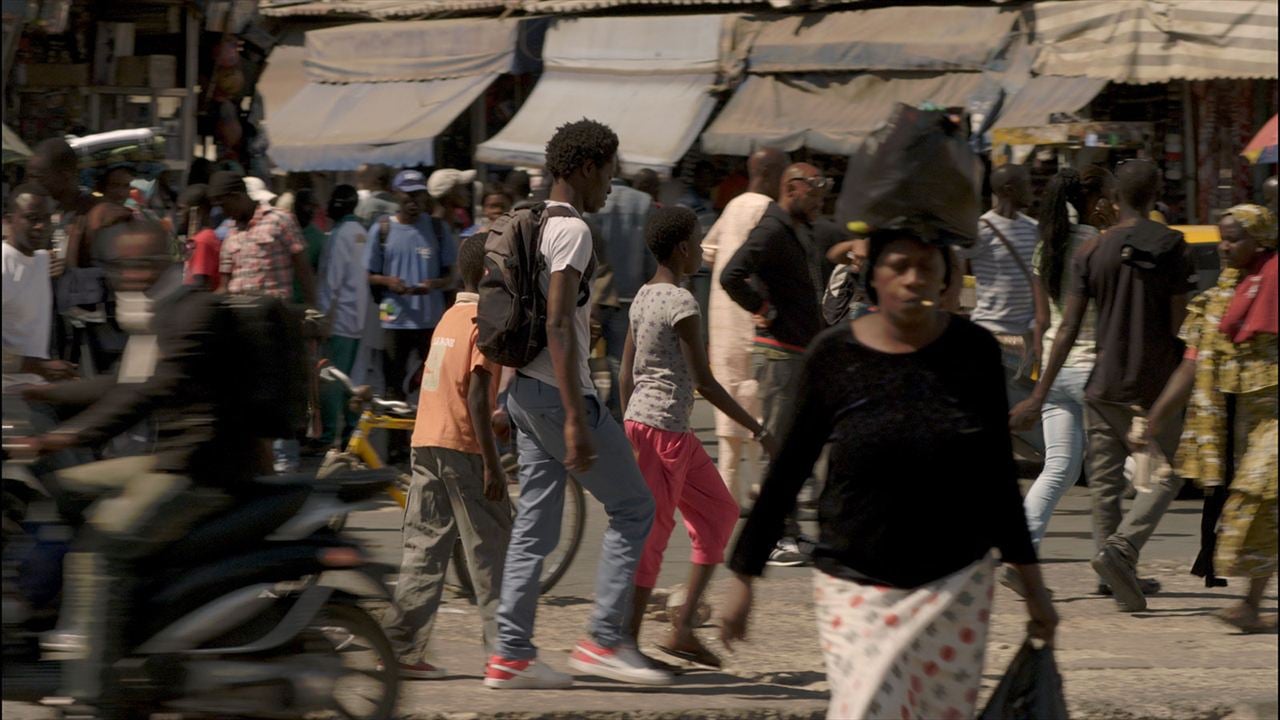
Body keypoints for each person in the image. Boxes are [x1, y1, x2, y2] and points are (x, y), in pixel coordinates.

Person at [720, 227, 1057, 720]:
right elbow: (789, 466)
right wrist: (744, 575)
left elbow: (996, 479)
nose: (913, 279)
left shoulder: (974, 354)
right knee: (864, 709)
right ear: (873, 276)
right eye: (899, 266)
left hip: (956, 588)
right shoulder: (834, 355)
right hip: (855, 586)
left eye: (927, 266)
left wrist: (1034, 588)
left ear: (948, 279)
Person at [16, 219, 259, 718]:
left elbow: (149, 391)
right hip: (169, 461)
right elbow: (120, 384)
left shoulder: (193, 311)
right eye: (117, 267)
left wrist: (66, 435)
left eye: (131, 266)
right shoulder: (162, 313)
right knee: (59, 489)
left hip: (203, 471)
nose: (121, 278)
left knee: (102, 546)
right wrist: (37, 391)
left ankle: (95, 693)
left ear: (158, 265)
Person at [486, 119, 668, 690]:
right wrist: (574, 418)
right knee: (635, 507)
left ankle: (510, 654)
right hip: (555, 395)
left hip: (522, 391)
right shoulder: (573, 231)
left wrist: (505, 393)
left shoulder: (531, 220)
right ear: (587, 168)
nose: (612, 186)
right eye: (609, 172)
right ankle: (604, 641)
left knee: (535, 525)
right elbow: (560, 323)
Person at [1012, 159, 1196, 612]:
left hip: (1099, 380)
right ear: (1156, 193)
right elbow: (1177, 322)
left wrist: (1039, 391)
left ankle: (1114, 578)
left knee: (1103, 481)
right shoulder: (1171, 243)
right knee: (1166, 473)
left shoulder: (1087, 251)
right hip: (1147, 380)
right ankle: (1121, 552)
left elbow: (1065, 324)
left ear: (1115, 198)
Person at [620, 206, 776, 669]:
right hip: (663, 431)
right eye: (699, 239)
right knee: (654, 535)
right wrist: (757, 428)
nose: (704, 248)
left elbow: (627, 371)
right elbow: (703, 381)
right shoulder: (682, 303)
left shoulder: (643, 296)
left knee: (720, 512)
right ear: (684, 247)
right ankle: (626, 644)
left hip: (657, 428)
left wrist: (629, 426)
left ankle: (683, 629)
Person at [382, 234, 514, 677]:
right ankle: (505, 652)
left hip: (427, 441)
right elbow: (477, 397)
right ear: (492, 274)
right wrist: (494, 463)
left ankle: (400, 650)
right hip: (464, 446)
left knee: (425, 547)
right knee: (492, 547)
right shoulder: (485, 320)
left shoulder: (449, 318)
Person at [1143, 204, 1277, 631]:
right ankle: (1252, 606)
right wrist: (1156, 418)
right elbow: (1191, 365)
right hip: (1240, 428)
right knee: (1262, 507)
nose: (1225, 247)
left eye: (1235, 238)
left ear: (1262, 239)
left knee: (1257, 498)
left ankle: (1251, 606)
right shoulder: (1216, 300)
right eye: (1223, 237)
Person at [1002, 166, 1116, 594]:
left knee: (1059, 469)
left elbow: (1044, 320)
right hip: (1092, 367)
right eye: (1110, 193)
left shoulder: (1046, 248)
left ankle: (1020, 558)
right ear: (1097, 200)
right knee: (1117, 472)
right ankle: (1119, 561)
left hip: (1054, 367)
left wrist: (1038, 375)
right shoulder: (1101, 246)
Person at [719, 162, 827, 565]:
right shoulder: (771, 228)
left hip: (798, 351)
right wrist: (763, 307)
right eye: (814, 195)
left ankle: (792, 531)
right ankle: (776, 538)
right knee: (779, 450)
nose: (819, 203)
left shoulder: (795, 228)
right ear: (793, 187)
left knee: (793, 449)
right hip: (779, 355)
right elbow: (731, 275)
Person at [212, 170, 316, 473]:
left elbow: (303, 268)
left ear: (238, 196)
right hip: (240, 335)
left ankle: (285, 471)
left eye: (225, 204)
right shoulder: (231, 234)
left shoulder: (280, 220)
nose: (224, 211)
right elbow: (225, 284)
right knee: (247, 403)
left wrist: (312, 309)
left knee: (278, 400)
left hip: (276, 328)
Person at [702, 147, 786, 510]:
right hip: (752, 320)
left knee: (730, 403)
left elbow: (707, 250)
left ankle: (731, 487)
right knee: (757, 406)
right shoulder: (766, 210)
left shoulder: (734, 205)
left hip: (722, 320)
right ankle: (753, 487)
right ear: (771, 173)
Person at [960, 164, 1049, 456]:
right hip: (991, 336)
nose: (1031, 189)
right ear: (1008, 190)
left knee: (1024, 413)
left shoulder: (1032, 229)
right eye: (1025, 183)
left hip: (1026, 341)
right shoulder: (980, 230)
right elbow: (953, 267)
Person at [366, 169, 457, 402]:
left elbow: (450, 277)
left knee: (434, 386)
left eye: (418, 194)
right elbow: (369, 275)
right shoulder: (382, 229)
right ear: (396, 195)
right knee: (392, 390)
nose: (413, 200)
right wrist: (389, 281)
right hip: (393, 320)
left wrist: (434, 284)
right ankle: (397, 439)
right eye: (408, 194)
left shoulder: (438, 229)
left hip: (430, 322)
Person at [586, 171, 656, 416]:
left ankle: (593, 407)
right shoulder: (643, 202)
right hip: (629, 294)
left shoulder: (590, 200)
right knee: (621, 359)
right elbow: (650, 254)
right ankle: (618, 410)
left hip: (593, 295)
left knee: (583, 355)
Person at [3, 184, 75, 382]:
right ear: (9, 221)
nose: (42, 226)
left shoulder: (42, 260)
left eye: (47, 219)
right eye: (32, 218)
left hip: (36, 386)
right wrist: (39, 367)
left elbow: (50, 259)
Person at [316, 185, 368, 447]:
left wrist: (324, 319)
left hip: (338, 321)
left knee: (332, 379)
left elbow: (331, 281)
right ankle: (349, 434)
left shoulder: (340, 235)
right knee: (350, 380)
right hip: (357, 320)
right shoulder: (360, 231)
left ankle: (329, 436)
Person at [177, 184, 221, 291]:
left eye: (182, 209)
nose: (178, 214)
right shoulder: (198, 239)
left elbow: (201, 285)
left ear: (196, 211)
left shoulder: (202, 241)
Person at [292, 188, 327, 305]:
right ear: (297, 205)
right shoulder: (283, 230)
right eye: (307, 205)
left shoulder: (319, 239)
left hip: (305, 305)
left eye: (314, 206)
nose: (311, 211)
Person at [428, 168, 476, 234]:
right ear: (451, 192)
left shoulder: (458, 222)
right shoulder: (434, 230)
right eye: (463, 187)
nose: (468, 193)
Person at [355, 163, 398, 227]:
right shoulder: (398, 206)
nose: (362, 179)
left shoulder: (364, 205)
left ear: (377, 180)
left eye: (367, 175)